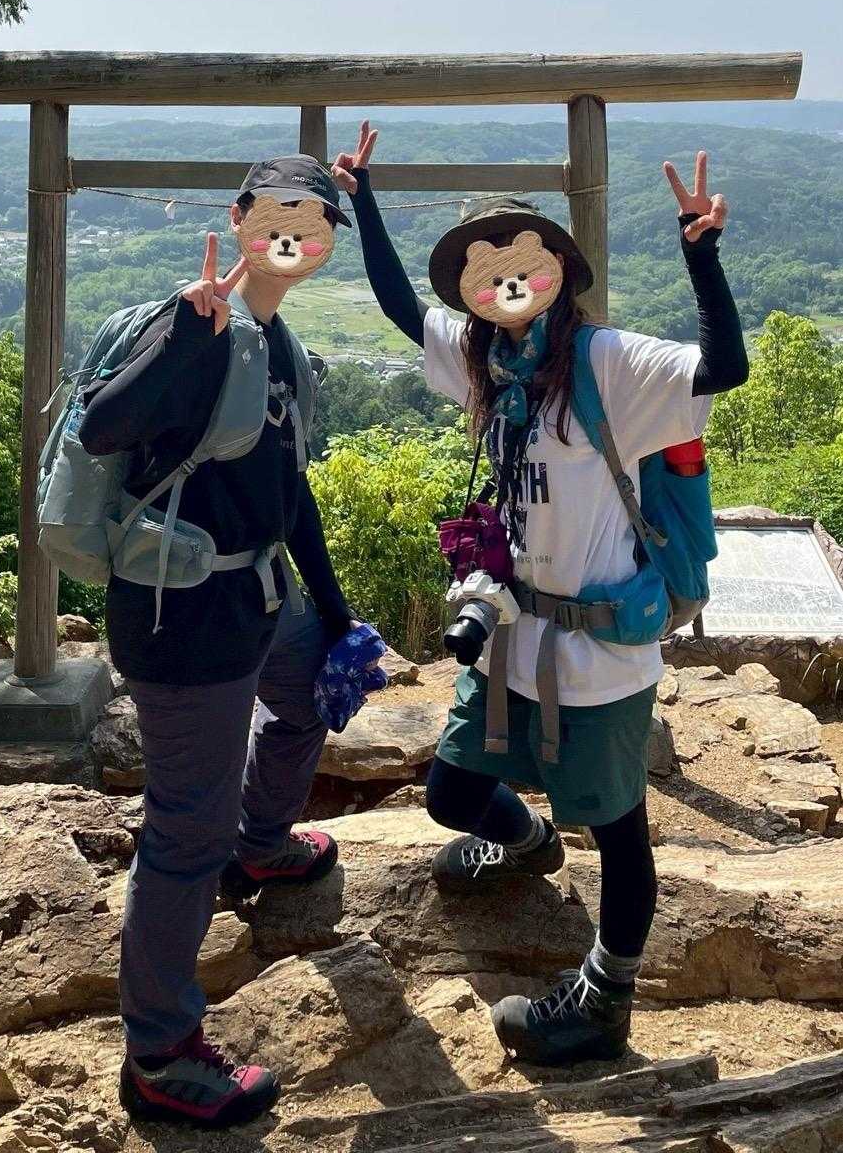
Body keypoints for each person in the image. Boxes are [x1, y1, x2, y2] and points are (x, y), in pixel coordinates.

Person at [331, 123, 748, 1068]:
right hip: (511, 633)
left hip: (598, 649)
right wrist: (365, 203)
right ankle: (523, 842)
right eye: (484, 271)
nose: (506, 281)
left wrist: (701, 254)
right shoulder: (486, 357)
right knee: (451, 792)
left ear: (558, 270)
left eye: (523, 262)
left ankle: (605, 999)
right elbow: (401, 309)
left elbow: (721, 368)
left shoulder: (607, 363)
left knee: (618, 827)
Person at [78, 157, 360, 1129]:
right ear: (238, 219)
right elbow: (100, 426)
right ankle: (159, 1057)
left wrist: (335, 613)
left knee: (309, 693)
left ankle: (263, 844)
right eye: (276, 211)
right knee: (182, 835)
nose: (293, 231)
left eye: (315, 219)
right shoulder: (195, 326)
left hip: (256, 594)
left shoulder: (278, 345)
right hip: (182, 615)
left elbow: (290, 492)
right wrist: (182, 340)